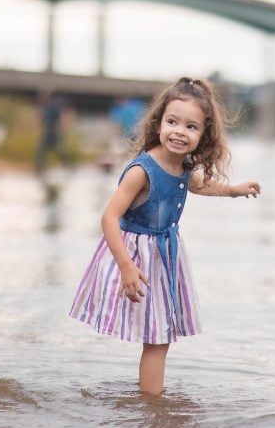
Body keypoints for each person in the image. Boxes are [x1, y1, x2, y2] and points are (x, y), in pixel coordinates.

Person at [68, 77, 261, 395]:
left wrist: (231, 191)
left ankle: (150, 401)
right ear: (158, 123)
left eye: (191, 127)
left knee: (161, 337)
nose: (179, 132)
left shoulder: (182, 167)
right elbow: (109, 217)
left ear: (204, 135)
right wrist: (126, 267)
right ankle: (152, 405)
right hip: (136, 256)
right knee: (158, 339)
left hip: (164, 255)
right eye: (172, 122)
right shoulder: (142, 170)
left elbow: (197, 184)